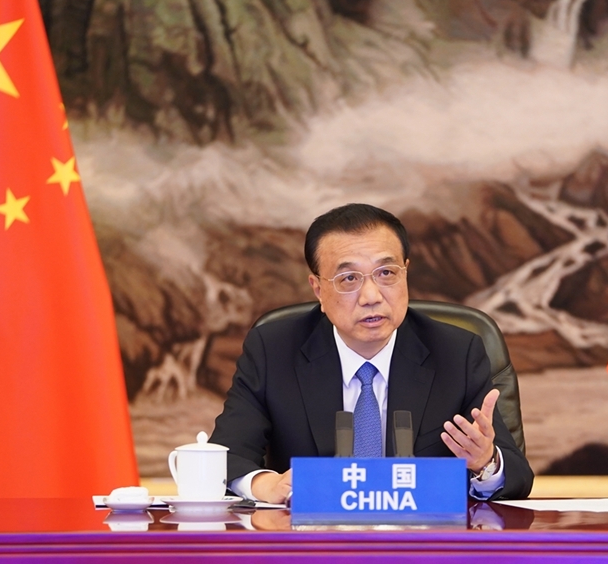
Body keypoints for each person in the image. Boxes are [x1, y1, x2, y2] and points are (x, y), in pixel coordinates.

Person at [210, 203, 533, 503]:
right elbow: (225, 455)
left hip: (422, 539)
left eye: (386, 273)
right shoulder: (275, 350)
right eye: (349, 278)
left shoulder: (456, 353)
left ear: (405, 272)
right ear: (318, 289)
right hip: (314, 539)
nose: (371, 296)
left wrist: (485, 462)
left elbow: (517, 475)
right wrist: (264, 484)